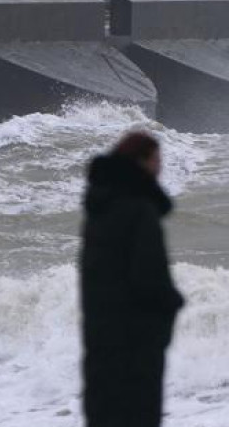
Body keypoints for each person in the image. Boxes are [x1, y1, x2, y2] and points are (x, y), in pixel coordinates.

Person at [80, 131, 185, 427]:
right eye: (156, 160)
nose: (159, 167)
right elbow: (149, 280)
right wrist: (172, 305)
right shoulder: (139, 211)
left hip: (100, 340)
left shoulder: (98, 210)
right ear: (141, 163)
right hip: (134, 347)